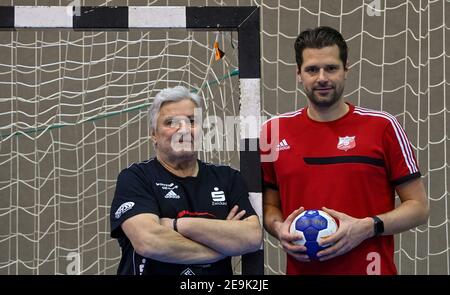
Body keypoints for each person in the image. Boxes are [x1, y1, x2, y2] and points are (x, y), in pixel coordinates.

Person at [260, 26, 429, 275]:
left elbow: (419, 207)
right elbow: (269, 207)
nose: (322, 78)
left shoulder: (382, 126)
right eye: (311, 70)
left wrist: (368, 227)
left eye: (331, 68)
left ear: (346, 69)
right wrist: (278, 228)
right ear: (298, 74)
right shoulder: (272, 132)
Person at [110, 85, 262, 275]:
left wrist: (176, 225)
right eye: (171, 122)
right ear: (153, 135)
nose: (183, 130)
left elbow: (252, 237)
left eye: (191, 121)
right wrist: (221, 247)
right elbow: (149, 241)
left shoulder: (228, 178)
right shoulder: (136, 178)